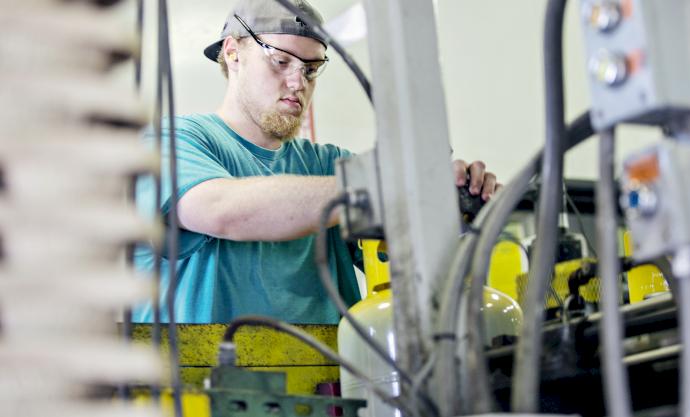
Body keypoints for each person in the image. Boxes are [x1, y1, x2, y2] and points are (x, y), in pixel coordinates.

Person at [132, 0, 498, 324]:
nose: (297, 82)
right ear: (233, 52)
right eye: (281, 61)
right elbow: (220, 210)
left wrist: (459, 202)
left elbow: (415, 252)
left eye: (310, 70)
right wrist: (384, 184)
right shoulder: (173, 143)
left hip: (337, 390)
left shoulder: (330, 165)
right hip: (206, 390)